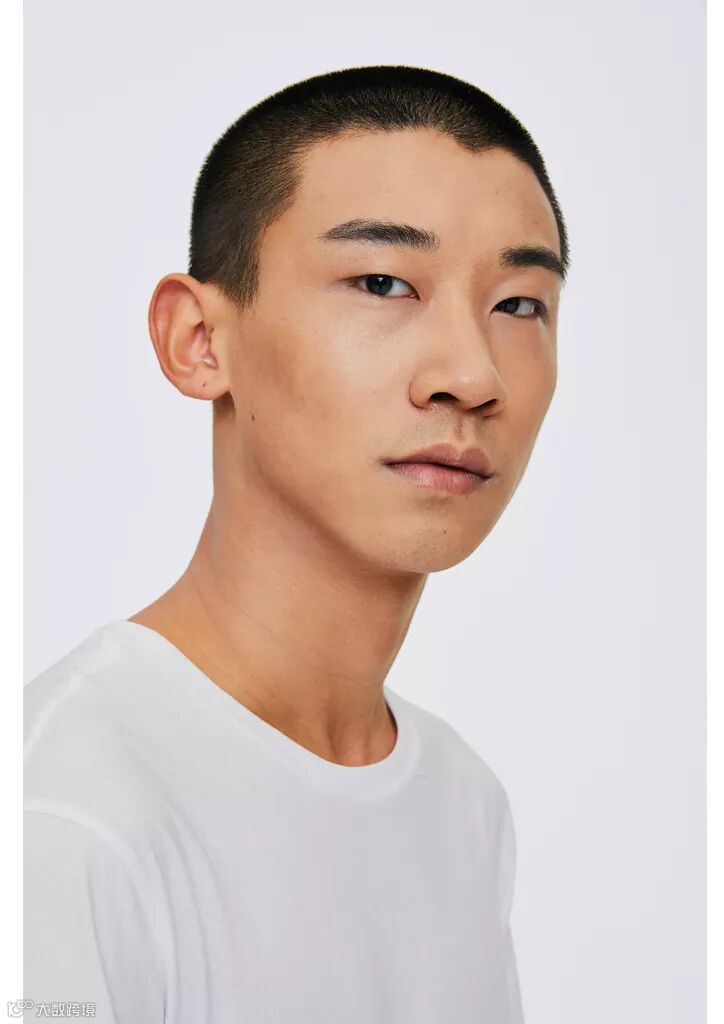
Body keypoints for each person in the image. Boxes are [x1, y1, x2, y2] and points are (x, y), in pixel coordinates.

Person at [24, 65, 569, 1023]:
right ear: (199, 340)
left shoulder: (461, 805)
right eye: (383, 282)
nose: (473, 374)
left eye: (519, 304)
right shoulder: (58, 816)